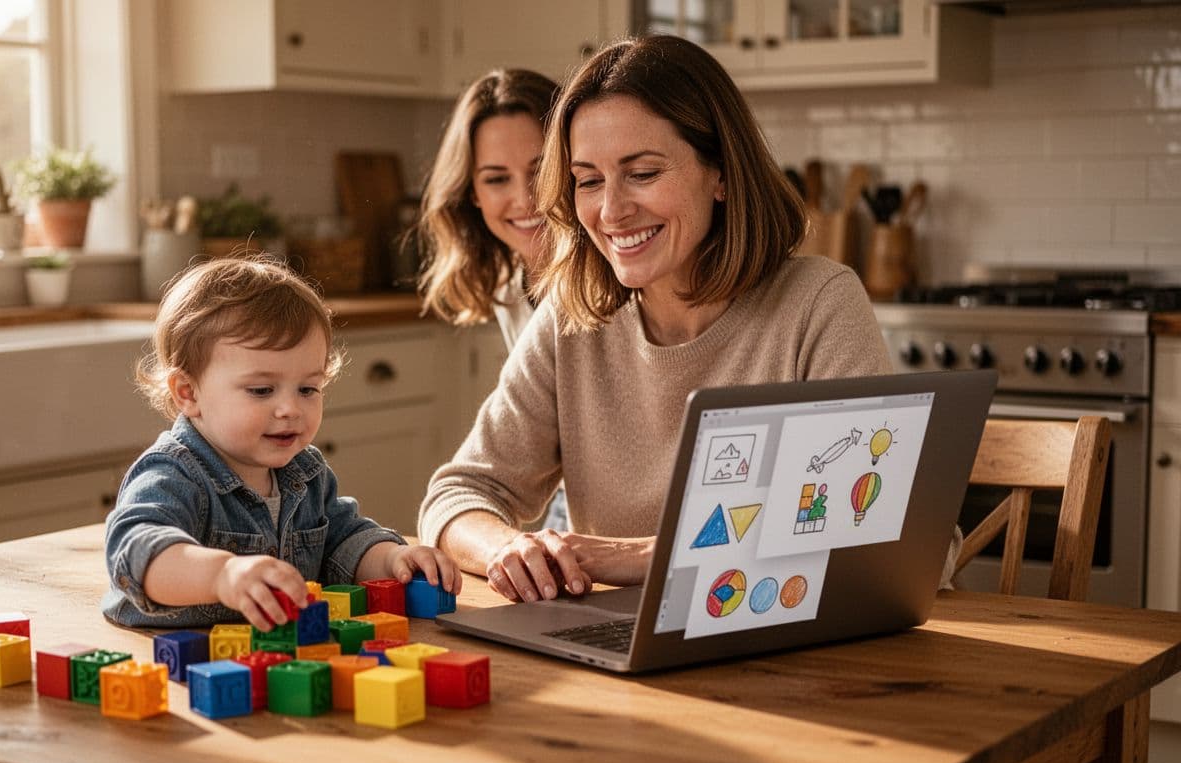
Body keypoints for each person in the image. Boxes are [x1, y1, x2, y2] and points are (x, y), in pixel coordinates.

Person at [418, 35, 945, 605]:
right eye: (589, 180)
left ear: (719, 173)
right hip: (627, 656)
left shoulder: (817, 304)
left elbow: (893, 531)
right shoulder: (570, 320)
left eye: (642, 173)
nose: (611, 211)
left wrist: (646, 555)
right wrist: (503, 548)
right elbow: (459, 494)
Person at [103, 256, 460, 629]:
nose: (290, 409)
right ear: (188, 392)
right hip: (176, 666)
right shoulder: (173, 472)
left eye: (308, 388)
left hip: (278, 661)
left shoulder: (305, 472)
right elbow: (136, 549)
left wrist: (390, 559)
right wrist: (222, 576)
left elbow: (343, 540)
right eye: (261, 390)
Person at [417, 67, 570, 530]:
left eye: (542, 170)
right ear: (472, 195)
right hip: (563, 502)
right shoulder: (509, 285)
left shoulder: (622, 277)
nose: (526, 199)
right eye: (497, 178)